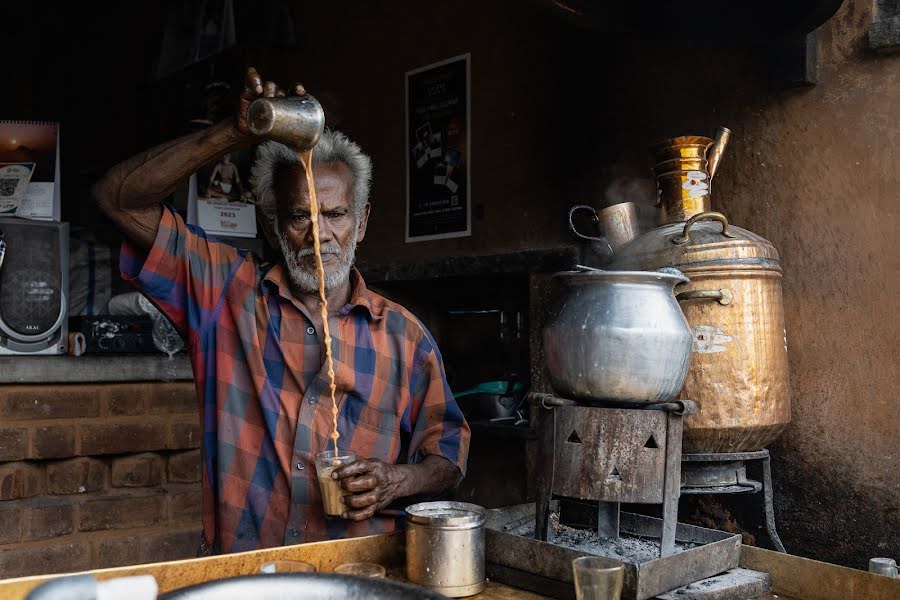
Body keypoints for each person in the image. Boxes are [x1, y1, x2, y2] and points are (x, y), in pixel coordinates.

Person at [93, 67, 470, 555]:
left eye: (335, 215)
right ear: (272, 229)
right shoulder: (225, 293)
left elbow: (449, 459)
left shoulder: (406, 338)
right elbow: (117, 199)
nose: (320, 235)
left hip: (357, 579)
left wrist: (396, 480)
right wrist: (234, 133)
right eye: (300, 216)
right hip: (247, 580)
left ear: (361, 223)